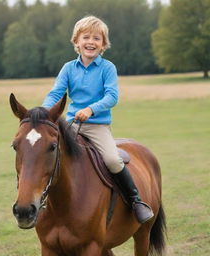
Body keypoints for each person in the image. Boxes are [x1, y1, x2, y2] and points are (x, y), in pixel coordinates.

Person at [42, 16, 153, 224]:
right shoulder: (68, 68)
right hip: (71, 125)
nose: (90, 42)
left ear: (103, 44)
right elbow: (56, 94)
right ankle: (45, 201)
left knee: (112, 159)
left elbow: (112, 96)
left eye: (96, 38)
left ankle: (136, 201)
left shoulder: (107, 68)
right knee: (52, 156)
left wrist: (91, 110)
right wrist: (43, 112)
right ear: (76, 42)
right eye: (86, 37)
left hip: (97, 125)